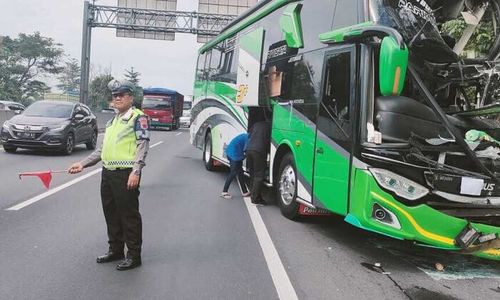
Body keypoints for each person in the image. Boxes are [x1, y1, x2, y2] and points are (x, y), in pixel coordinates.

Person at [68, 79, 150, 271]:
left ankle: (134, 255)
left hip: (126, 174)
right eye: (115, 96)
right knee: (111, 213)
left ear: (131, 97)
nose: (118, 98)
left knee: (128, 215)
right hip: (107, 173)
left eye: (122, 95)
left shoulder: (139, 118)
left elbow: (142, 146)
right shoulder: (113, 120)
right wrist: (82, 164)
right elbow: (102, 150)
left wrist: (136, 171)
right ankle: (115, 250)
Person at [246, 120, 271, 205]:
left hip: (249, 149)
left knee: (253, 174)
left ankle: (253, 194)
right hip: (259, 151)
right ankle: (255, 198)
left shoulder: (256, 123)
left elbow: (249, 136)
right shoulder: (270, 127)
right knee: (259, 175)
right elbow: (269, 141)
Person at [221, 133, 250, 199]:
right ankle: (224, 192)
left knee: (240, 173)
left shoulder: (247, 135)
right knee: (233, 172)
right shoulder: (249, 138)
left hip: (234, 152)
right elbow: (246, 151)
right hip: (234, 154)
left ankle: (245, 192)